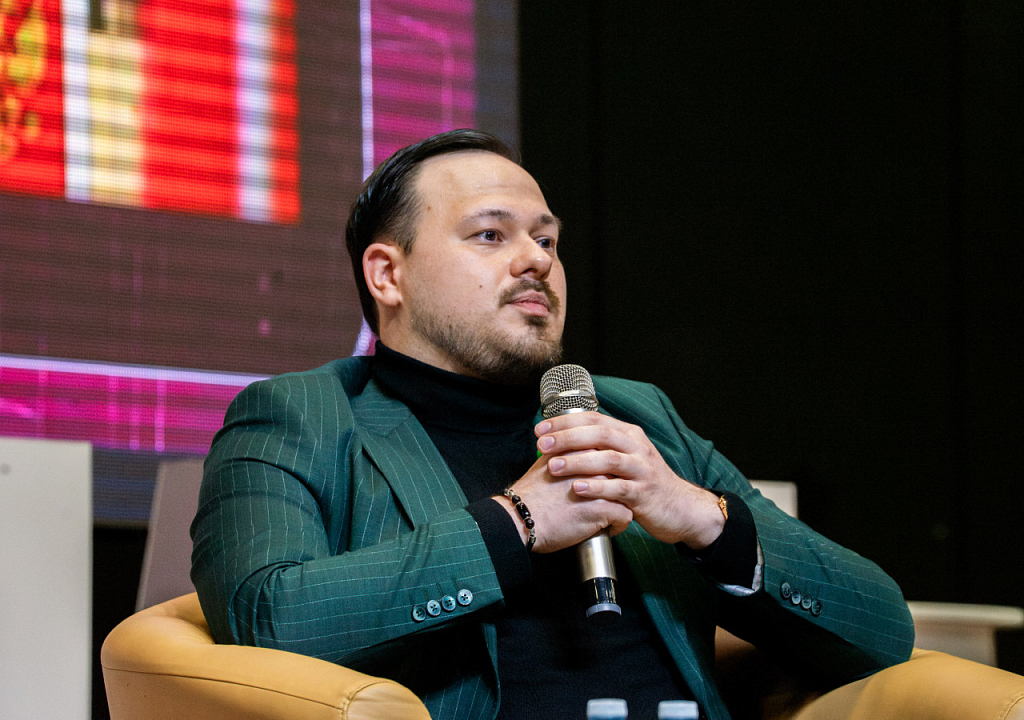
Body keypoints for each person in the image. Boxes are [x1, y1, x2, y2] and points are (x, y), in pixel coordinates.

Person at [191, 129, 915, 720]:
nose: (536, 260)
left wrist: (699, 517)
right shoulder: (302, 416)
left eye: (547, 240)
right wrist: (518, 523)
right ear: (387, 274)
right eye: (490, 235)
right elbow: (266, 620)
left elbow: (883, 633)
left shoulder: (637, 416)